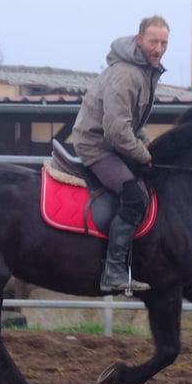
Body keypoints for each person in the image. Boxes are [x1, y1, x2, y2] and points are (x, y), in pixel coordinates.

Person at [72, 15, 169, 293]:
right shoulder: (127, 74)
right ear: (139, 40)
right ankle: (113, 272)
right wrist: (144, 155)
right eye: (153, 42)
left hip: (113, 143)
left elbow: (132, 123)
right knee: (135, 196)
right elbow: (115, 130)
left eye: (163, 43)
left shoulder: (144, 71)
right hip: (96, 146)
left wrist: (144, 143)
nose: (159, 48)